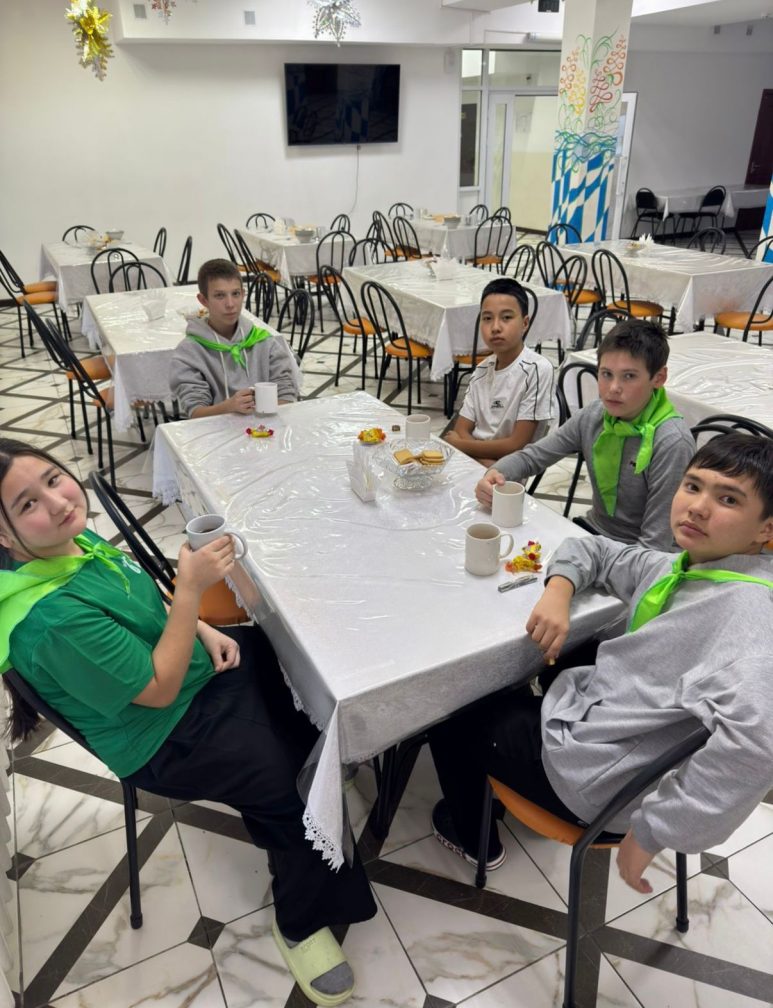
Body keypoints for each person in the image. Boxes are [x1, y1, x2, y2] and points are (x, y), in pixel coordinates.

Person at [0, 439, 374, 1006]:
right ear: (4, 537)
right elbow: (157, 691)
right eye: (27, 504)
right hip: (163, 737)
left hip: (189, 676)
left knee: (286, 656)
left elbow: (146, 605)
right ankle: (300, 922)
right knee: (285, 789)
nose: (57, 503)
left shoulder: (69, 545)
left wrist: (201, 626)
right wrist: (193, 591)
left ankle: (311, 767)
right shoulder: (49, 619)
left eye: (53, 479)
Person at [430, 433, 773, 891]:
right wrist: (559, 590)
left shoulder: (749, 616)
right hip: (610, 740)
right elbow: (593, 549)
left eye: (728, 499)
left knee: (452, 711)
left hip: (596, 782)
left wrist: (654, 832)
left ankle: (475, 839)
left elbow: (757, 747)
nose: (697, 507)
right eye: (693, 486)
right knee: (552, 656)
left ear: (766, 529)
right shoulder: (689, 567)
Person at [475, 318, 695, 551]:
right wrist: (495, 474)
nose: (613, 388)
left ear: (658, 378)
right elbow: (533, 457)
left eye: (629, 376)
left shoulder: (671, 442)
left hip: (641, 552)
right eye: (606, 374)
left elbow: (655, 544)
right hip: (596, 533)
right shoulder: (595, 415)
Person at [444, 277, 555, 468]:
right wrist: (485, 463)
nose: (495, 327)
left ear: (525, 323)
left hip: (511, 470)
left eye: (506, 317)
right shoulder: (481, 370)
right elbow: (462, 428)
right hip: (480, 464)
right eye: (487, 318)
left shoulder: (537, 370)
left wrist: (462, 446)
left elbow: (517, 444)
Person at [169, 259, 300, 419]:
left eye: (236, 294)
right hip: (215, 430)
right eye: (220, 296)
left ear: (243, 294)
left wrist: (258, 420)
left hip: (266, 428)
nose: (230, 304)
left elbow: (286, 394)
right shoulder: (189, 352)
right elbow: (195, 412)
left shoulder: (264, 341)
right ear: (203, 300)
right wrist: (228, 407)